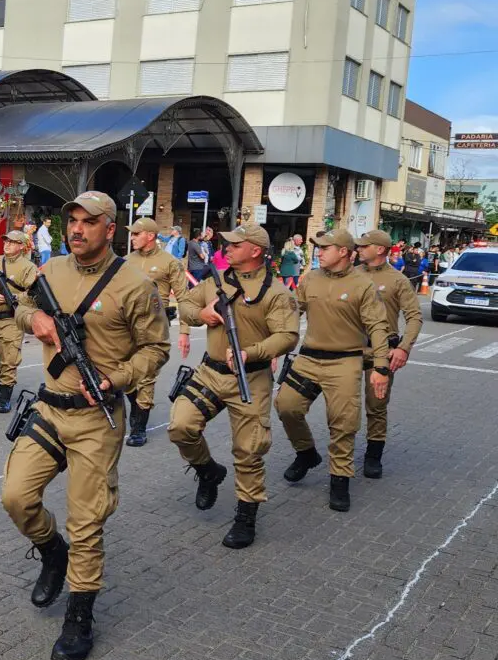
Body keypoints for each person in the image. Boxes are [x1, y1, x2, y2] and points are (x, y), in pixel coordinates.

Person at [2, 191, 170, 660]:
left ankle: (79, 615)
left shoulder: (135, 285)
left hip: (98, 419)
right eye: (71, 220)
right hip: (51, 409)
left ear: (109, 228)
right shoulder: (51, 270)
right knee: (16, 496)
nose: (76, 229)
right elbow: (16, 306)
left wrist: (114, 377)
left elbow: (156, 349)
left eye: (88, 222)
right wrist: (32, 316)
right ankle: (53, 552)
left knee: (88, 521)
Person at [167, 223, 299, 549]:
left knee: (249, 451)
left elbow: (287, 336)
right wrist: (203, 313)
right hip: (210, 372)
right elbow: (184, 303)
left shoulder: (276, 293)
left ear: (255, 250)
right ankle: (208, 470)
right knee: (180, 425)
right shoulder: (217, 281)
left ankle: (246, 515)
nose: (227, 247)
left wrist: (250, 352)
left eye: (236, 244)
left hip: (251, 376)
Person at [274, 229, 391, 513]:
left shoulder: (363, 284)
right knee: (286, 406)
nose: (319, 252)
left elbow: (378, 326)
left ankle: (340, 480)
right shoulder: (310, 278)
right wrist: (273, 346)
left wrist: (381, 367)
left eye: (325, 248)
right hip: (308, 358)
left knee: (343, 423)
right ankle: (306, 453)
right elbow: (293, 313)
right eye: (318, 248)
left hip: (345, 361)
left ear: (343, 252)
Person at [354, 229, 423, 479]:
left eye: (364, 246)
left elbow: (414, 316)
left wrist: (404, 347)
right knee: (343, 405)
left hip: (382, 350)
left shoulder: (397, 280)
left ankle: (373, 456)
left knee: (376, 405)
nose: (359, 249)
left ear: (380, 249)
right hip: (349, 349)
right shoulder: (351, 274)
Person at [125, 217, 189, 445]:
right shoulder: (125, 261)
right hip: (126, 325)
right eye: (131, 234)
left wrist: (185, 332)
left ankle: (138, 427)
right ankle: (135, 407)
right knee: (126, 373)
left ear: (150, 236)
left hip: (154, 325)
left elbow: (184, 298)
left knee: (146, 374)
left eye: (136, 234)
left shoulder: (170, 262)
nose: (131, 238)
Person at [0, 229, 38, 414]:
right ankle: (2, 379)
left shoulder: (28, 267)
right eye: (6, 241)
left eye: (12, 242)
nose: (7, 244)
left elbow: (34, 294)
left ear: (21, 246)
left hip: (12, 320)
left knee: (9, 360)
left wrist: (13, 297)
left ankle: (5, 395)